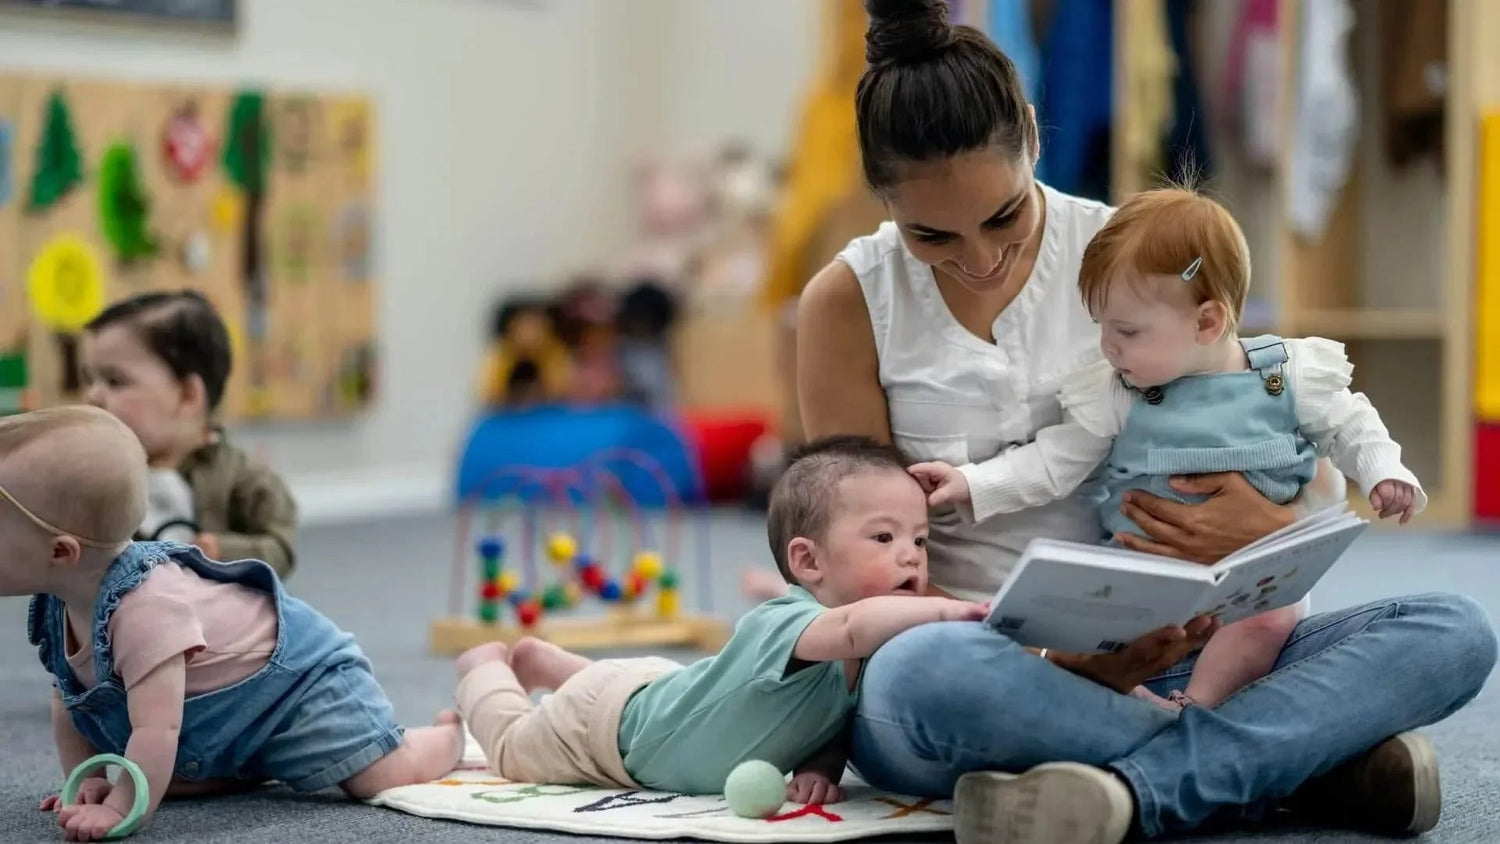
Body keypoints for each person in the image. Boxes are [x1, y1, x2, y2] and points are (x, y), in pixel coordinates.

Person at [793, 1, 1498, 841]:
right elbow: (856, 570)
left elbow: (1270, 431)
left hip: (1188, 653)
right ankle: (1291, 766)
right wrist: (1055, 661)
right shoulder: (848, 301)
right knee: (919, 678)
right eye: (932, 235)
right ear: (882, 198)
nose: (981, 259)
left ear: (1032, 134)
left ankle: (1133, 789)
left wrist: (1275, 529)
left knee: (1452, 630)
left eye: (1003, 217)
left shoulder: (1133, 257)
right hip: (981, 665)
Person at [907, 186, 1424, 711]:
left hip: (1252, 585)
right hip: (1144, 578)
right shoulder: (1118, 391)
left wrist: (1384, 470)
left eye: (1127, 331)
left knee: (1282, 619)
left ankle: (1194, 709)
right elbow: (1053, 460)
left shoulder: (1287, 374)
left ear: (1207, 322)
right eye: (1102, 327)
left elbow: (1350, 422)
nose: (1108, 346)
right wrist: (972, 483)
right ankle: (1140, 707)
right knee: (1083, 625)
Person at [6, 407, 461, 841]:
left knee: (380, 775)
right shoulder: (60, 601)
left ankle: (446, 738)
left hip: (302, 684)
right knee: (164, 771)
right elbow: (70, 700)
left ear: (62, 551)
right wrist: (87, 780)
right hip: (229, 717)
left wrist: (121, 807)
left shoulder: (145, 611)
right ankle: (249, 762)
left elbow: (156, 729)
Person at [452, 436, 984, 800]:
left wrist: (820, 768)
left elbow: (830, 720)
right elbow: (850, 627)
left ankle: (547, 663)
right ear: (808, 562)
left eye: (920, 540)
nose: (912, 556)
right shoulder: (788, 621)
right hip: (606, 734)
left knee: (650, 688)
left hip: (660, 693)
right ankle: (484, 667)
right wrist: (946, 608)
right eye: (884, 537)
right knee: (511, 749)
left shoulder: (868, 654)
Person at [79, 291, 298, 579]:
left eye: (115, 381)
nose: (92, 395)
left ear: (187, 395)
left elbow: (280, 549)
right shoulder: (103, 479)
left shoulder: (243, 478)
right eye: (89, 380)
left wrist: (222, 551)